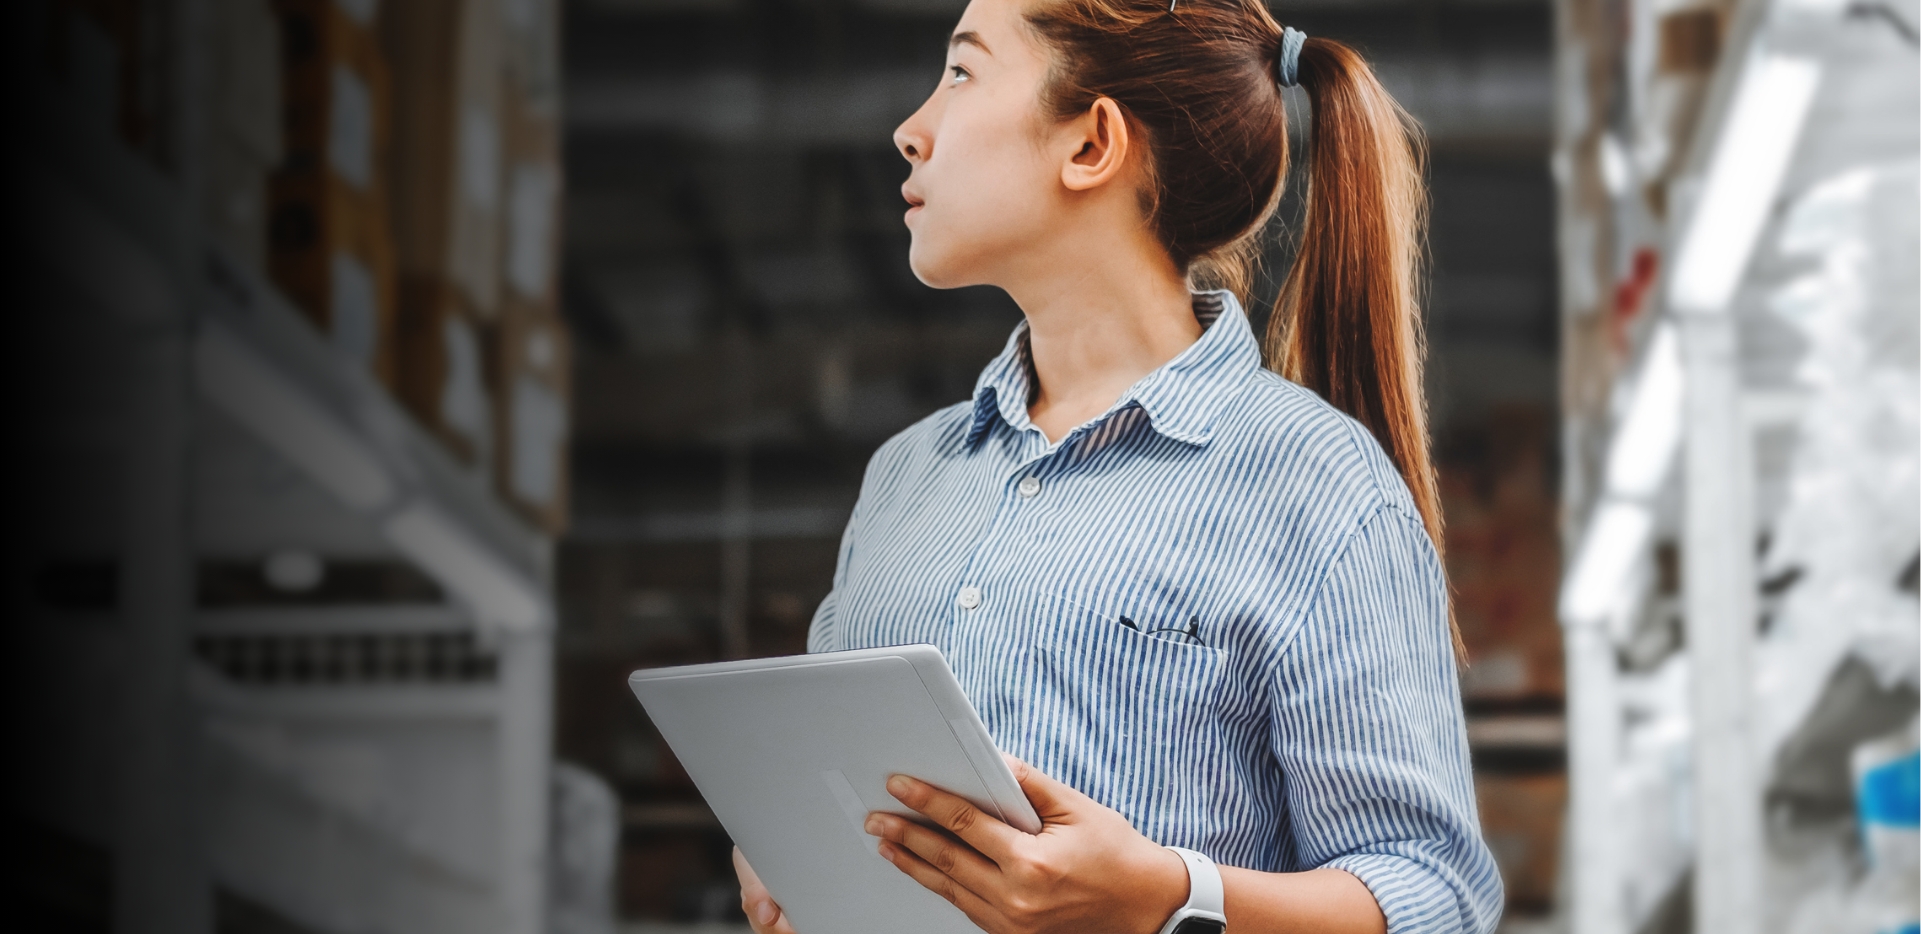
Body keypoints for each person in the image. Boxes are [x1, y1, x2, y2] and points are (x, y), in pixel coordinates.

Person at [732, 0, 1503, 930]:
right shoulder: (906, 476)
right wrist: (787, 849)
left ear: (1091, 144)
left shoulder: (1313, 483)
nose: (910, 130)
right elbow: (830, 779)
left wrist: (1167, 896)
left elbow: (1435, 893)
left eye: (962, 72)